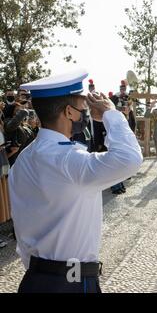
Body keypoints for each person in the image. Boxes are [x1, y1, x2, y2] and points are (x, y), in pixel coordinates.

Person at [10, 69, 143, 293]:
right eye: (83, 107)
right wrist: (111, 113)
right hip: (71, 282)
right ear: (69, 112)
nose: (87, 113)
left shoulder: (24, 158)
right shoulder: (68, 160)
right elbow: (129, 159)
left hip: (34, 279)